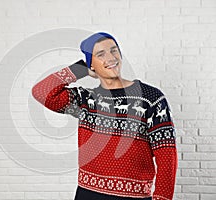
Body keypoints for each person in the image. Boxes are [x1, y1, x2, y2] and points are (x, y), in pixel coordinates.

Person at [31, 32, 178, 200]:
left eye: (114, 50)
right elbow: (41, 92)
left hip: (133, 197)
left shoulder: (150, 98)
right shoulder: (86, 100)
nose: (111, 57)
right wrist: (79, 69)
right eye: (101, 54)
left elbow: (167, 155)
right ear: (90, 64)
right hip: (87, 194)